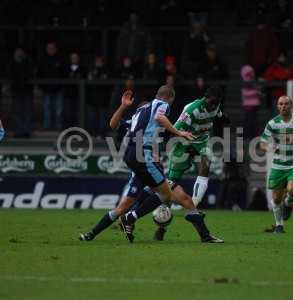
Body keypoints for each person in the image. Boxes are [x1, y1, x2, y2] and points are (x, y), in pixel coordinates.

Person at [79, 89, 222, 243]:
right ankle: (131, 218)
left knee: (122, 207)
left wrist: (122, 106)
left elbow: (112, 124)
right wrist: (179, 133)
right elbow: (160, 117)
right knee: (175, 197)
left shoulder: (136, 117)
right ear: (170, 98)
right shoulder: (162, 105)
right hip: (146, 160)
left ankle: (90, 234)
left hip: (134, 161)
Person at [151, 86, 228, 240]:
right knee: (170, 187)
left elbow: (217, 114)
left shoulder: (216, 105)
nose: (213, 106)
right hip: (183, 142)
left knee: (206, 166)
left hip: (201, 141)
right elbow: (175, 130)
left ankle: (194, 207)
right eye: (211, 103)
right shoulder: (192, 110)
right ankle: (161, 227)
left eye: (216, 103)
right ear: (206, 98)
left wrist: (222, 117)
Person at [260, 95, 293, 233]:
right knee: (276, 198)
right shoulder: (273, 123)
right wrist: (272, 148)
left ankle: (288, 203)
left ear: (291, 105)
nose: (283, 106)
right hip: (278, 165)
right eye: (280, 104)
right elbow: (262, 143)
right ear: (277, 106)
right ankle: (279, 225)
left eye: (286, 104)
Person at [37, 41, 65, 130]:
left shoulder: (60, 59)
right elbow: (39, 74)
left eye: (52, 48)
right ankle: (47, 127)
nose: (51, 50)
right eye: (49, 48)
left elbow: (64, 74)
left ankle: (58, 127)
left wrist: (61, 86)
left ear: (55, 49)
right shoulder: (43, 60)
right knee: (47, 110)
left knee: (58, 110)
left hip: (58, 89)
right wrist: (42, 87)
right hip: (47, 90)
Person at [8, 47, 34, 138]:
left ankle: (27, 131)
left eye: (20, 51)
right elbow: (10, 75)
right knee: (17, 112)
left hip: (27, 90)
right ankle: (18, 131)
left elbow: (30, 74)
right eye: (17, 51)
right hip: (16, 90)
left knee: (27, 111)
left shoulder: (28, 62)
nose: (19, 53)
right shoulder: (12, 63)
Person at [240, 65, 261, 140]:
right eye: (250, 73)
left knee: (253, 121)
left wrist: (257, 91)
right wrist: (256, 91)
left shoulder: (254, 82)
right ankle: (247, 135)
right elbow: (245, 93)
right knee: (248, 121)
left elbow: (258, 92)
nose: (251, 74)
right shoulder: (245, 83)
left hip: (254, 104)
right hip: (248, 105)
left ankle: (252, 135)